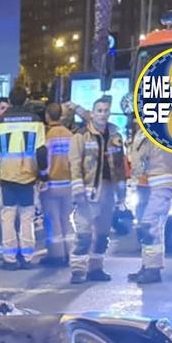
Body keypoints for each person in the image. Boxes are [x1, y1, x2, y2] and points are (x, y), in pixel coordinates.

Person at [0, 85, 48, 270]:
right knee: (27, 217)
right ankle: (27, 257)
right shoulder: (36, 121)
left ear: (10, 101)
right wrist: (43, 175)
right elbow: (41, 151)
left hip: (7, 176)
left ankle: (10, 259)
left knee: (7, 217)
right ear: (26, 100)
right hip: (28, 176)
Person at [67, 97, 126, 283]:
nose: (103, 114)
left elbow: (120, 165)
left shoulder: (116, 134)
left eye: (106, 110)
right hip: (88, 191)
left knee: (102, 235)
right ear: (92, 114)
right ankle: (78, 270)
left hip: (109, 191)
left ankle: (96, 269)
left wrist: (122, 194)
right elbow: (75, 163)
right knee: (83, 234)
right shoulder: (81, 135)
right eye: (99, 110)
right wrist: (78, 190)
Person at [126, 117, 172, 285]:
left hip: (158, 185)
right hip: (146, 186)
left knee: (150, 225)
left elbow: (139, 162)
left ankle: (153, 269)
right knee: (146, 226)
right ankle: (147, 265)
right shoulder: (149, 132)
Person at [40, 103, 74, 267]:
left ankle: (56, 255)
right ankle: (70, 253)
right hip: (68, 183)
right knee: (66, 219)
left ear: (47, 115)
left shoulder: (48, 136)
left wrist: (42, 178)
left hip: (52, 183)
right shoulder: (69, 135)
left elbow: (44, 160)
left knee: (53, 220)